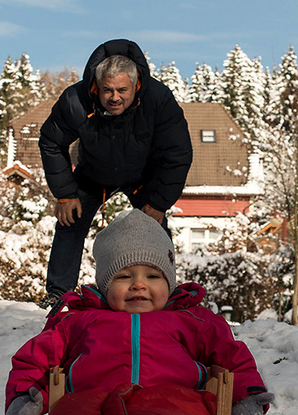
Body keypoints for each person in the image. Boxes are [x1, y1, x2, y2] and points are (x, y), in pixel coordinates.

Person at [4, 209, 273, 415]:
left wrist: (244, 399)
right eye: (123, 276)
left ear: (169, 283)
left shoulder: (192, 320)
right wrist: (27, 397)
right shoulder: (79, 320)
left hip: (174, 413)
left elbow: (232, 356)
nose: (139, 284)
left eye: (153, 276)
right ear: (104, 284)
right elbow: (35, 357)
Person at [37, 39, 191, 305]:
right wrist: (65, 194)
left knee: (156, 231)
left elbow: (177, 154)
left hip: (143, 177)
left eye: (122, 90)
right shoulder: (76, 100)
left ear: (136, 85)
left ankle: (165, 297)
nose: (114, 97)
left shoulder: (158, 100)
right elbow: (51, 142)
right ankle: (58, 294)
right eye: (107, 90)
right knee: (69, 222)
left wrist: (158, 203)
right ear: (96, 86)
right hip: (92, 174)